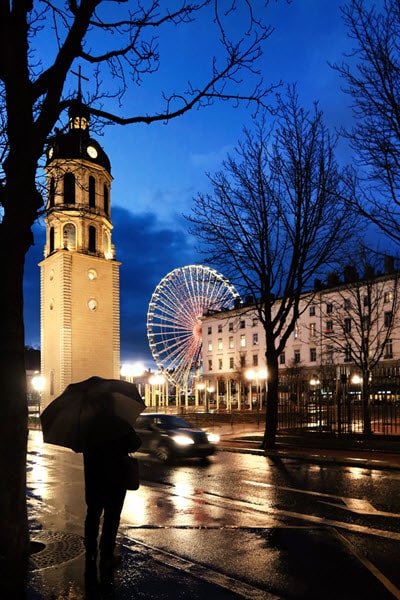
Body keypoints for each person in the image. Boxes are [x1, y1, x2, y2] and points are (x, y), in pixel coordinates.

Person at [83, 425, 142, 571]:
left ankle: (90, 551)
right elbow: (135, 444)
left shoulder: (86, 426)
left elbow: (79, 447)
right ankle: (106, 556)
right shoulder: (120, 423)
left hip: (93, 479)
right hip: (115, 480)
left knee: (92, 515)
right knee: (112, 517)